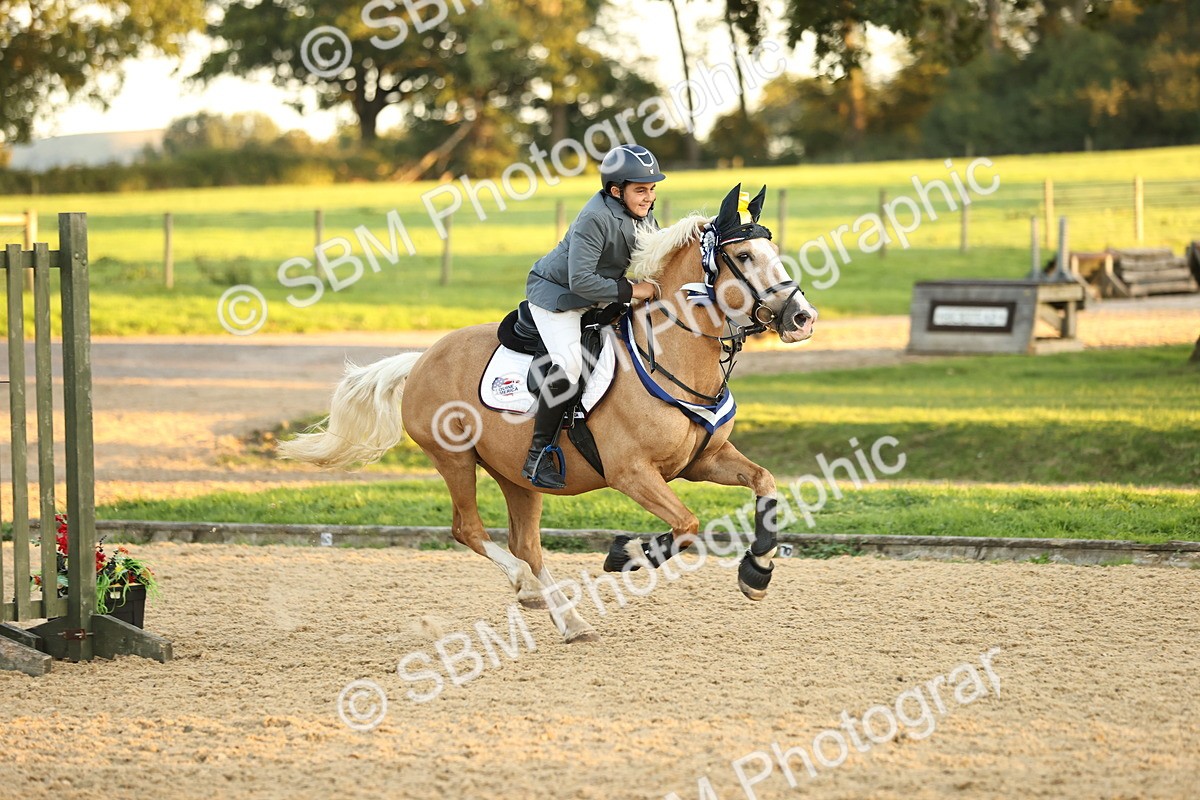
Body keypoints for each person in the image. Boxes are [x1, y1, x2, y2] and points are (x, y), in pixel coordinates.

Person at [521, 144, 664, 488]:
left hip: (598, 295)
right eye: (640, 190)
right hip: (558, 296)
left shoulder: (644, 215)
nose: (649, 197)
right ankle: (538, 455)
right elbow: (581, 280)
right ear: (616, 191)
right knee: (570, 363)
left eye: (652, 189)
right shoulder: (595, 217)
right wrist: (633, 291)